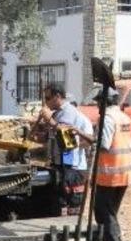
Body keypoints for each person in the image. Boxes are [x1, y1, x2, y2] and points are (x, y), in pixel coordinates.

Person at [74, 88, 131, 241]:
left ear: (104, 102)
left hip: (109, 174)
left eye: (99, 102)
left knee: (103, 212)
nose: (97, 105)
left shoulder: (107, 118)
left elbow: (104, 144)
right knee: (109, 212)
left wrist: (83, 135)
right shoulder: (124, 117)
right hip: (123, 173)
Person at [36, 84, 93, 215]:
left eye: (48, 98)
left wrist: (48, 119)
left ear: (57, 96)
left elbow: (65, 133)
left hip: (73, 167)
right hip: (61, 165)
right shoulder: (57, 114)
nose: (46, 101)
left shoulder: (69, 112)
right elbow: (51, 136)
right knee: (59, 204)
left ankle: (72, 230)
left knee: (72, 205)